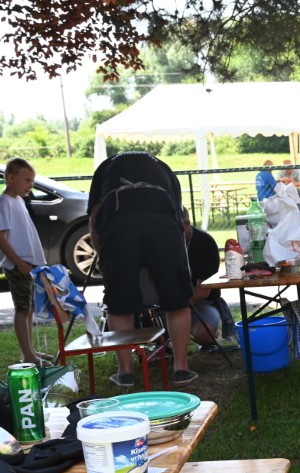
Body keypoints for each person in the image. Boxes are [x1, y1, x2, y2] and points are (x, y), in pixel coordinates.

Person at [87, 151, 197, 387]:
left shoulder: (105, 168)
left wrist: (104, 256)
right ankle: (181, 368)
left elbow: (94, 218)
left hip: (119, 225)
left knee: (119, 301)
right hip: (163, 225)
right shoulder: (163, 167)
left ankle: (125, 372)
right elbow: (179, 215)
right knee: (176, 298)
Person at [0, 158, 48, 365]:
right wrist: (18, 262)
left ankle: (31, 350)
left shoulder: (18, 200)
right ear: (10, 178)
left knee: (29, 308)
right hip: (17, 265)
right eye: (27, 180)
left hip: (27, 264)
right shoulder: (4, 202)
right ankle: (27, 354)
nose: (30, 185)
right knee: (22, 309)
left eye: (32, 180)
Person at [179, 207, 233, 348]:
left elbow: (203, 291)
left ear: (187, 224)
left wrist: (174, 303)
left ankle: (194, 331)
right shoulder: (160, 243)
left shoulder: (204, 243)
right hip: (168, 305)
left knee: (204, 334)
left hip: (202, 303)